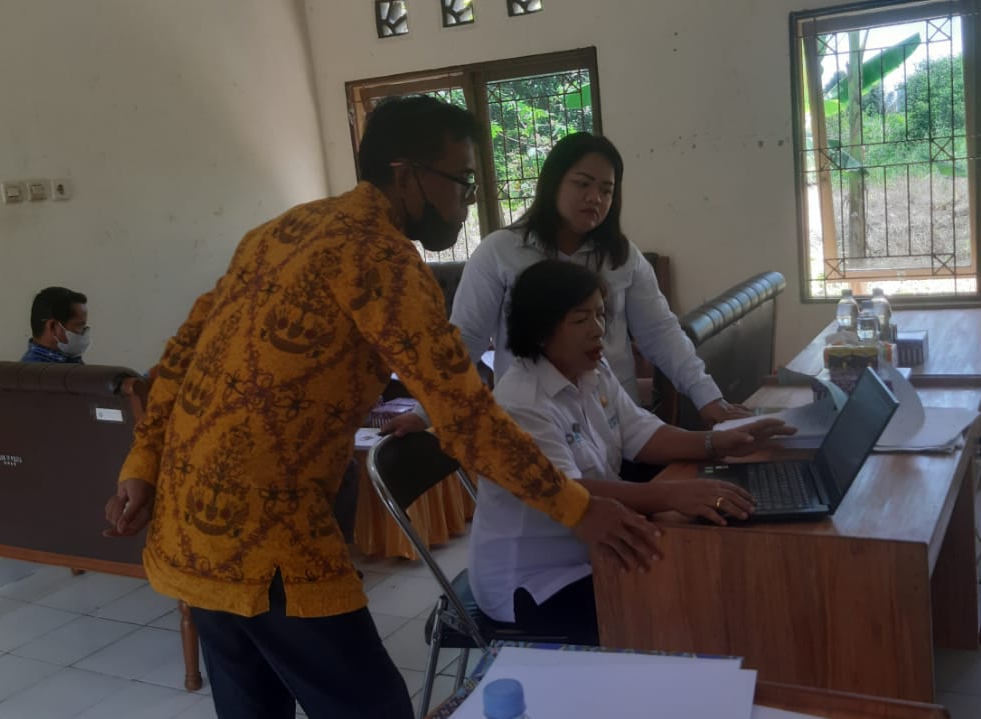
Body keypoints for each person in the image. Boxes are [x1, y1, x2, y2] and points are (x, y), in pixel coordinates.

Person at [102, 96, 662, 719]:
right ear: (407, 175)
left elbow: (178, 358)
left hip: (188, 522)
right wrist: (577, 507)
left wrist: (141, 464)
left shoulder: (278, 231)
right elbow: (466, 416)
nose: (468, 201)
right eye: (462, 181)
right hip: (271, 535)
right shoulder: (381, 258)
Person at [469, 260, 792, 645]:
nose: (597, 329)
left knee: (710, 578)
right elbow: (569, 492)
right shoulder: (520, 403)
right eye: (580, 319)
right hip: (536, 580)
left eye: (600, 314)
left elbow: (640, 432)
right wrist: (670, 494)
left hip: (599, 546)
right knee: (683, 608)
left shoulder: (592, 370)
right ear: (540, 331)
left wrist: (716, 442)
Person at [384, 131, 751, 441]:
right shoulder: (501, 251)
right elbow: (466, 341)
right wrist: (424, 411)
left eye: (607, 190)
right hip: (535, 428)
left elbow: (661, 333)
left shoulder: (621, 256)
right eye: (583, 184)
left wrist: (709, 399)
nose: (595, 198)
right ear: (553, 183)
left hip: (617, 425)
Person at [21, 286, 90, 363]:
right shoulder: (38, 369)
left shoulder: (67, 361)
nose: (84, 333)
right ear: (53, 326)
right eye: (80, 326)